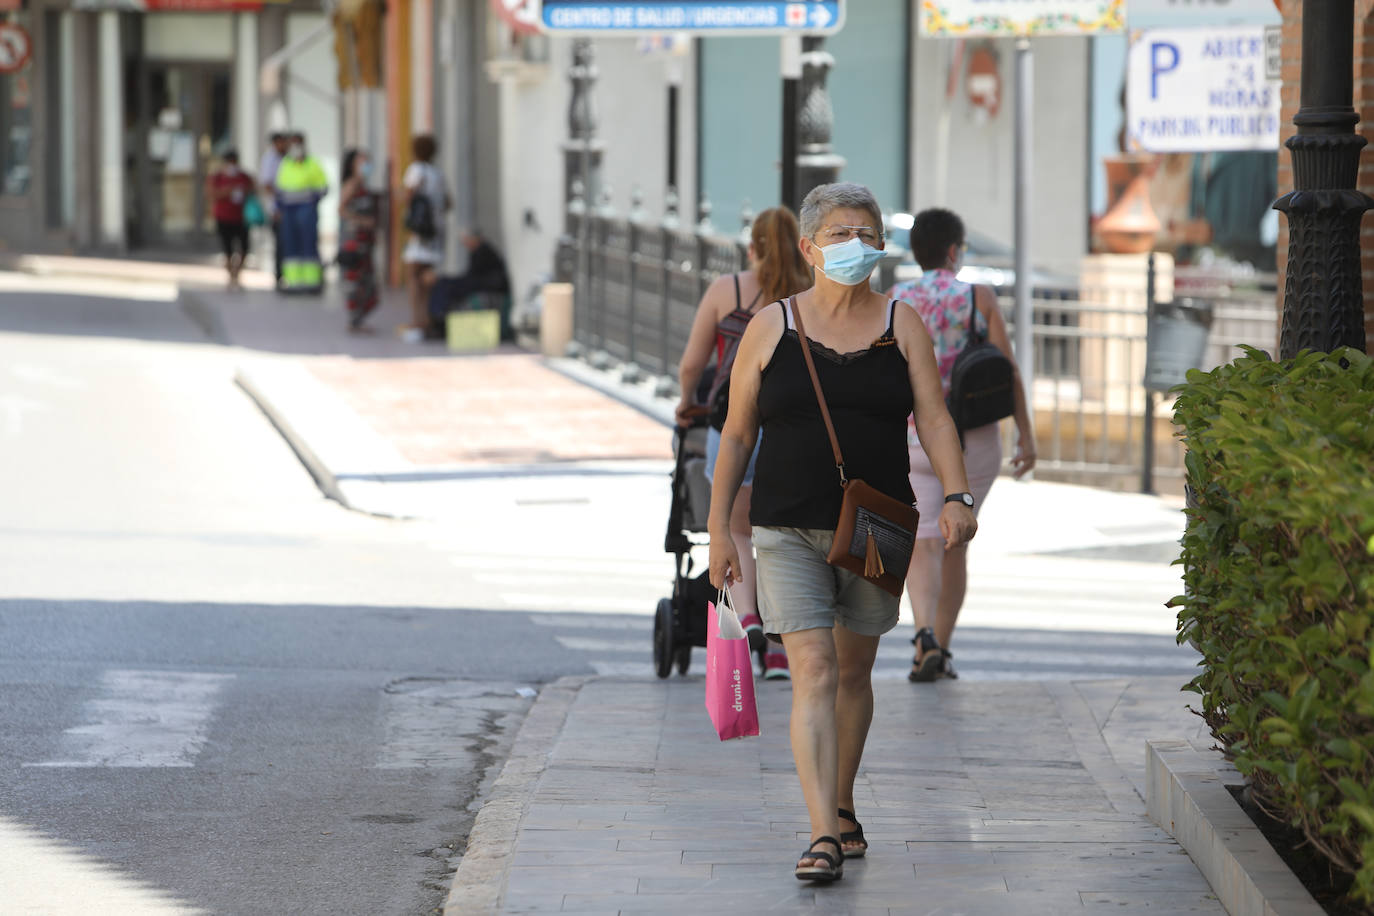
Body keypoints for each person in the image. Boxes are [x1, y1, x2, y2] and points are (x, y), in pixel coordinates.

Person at [708, 183, 977, 881]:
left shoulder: (902, 323)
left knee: (854, 672)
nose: (853, 246)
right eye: (838, 235)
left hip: (876, 525)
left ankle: (844, 802)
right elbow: (736, 436)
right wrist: (717, 532)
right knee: (815, 670)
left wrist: (956, 494)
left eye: (865, 234)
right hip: (785, 525)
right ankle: (822, 832)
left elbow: (937, 419)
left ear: (882, 245)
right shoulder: (772, 326)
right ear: (808, 247)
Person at [887, 208, 1037, 682]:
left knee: (922, 542)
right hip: (972, 440)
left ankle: (923, 635)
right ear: (954, 250)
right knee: (957, 543)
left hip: (912, 436)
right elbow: (1006, 369)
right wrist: (1026, 435)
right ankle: (941, 648)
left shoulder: (896, 298)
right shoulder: (978, 298)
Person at [676, 206, 813, 681]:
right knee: (779, 538)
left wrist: (685, 400)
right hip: (788, 427)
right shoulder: (809, 296)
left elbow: (693, 363)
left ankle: (748, 615)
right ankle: (778, 651)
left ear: (751, 247)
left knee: (735, 530)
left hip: (729, 423)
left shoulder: (727, 290)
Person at [400, 134, 450, 341]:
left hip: (421, 231)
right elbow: (448, 203)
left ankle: (417, 320)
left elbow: (408, 196)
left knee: (413, 275)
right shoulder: (438, 174)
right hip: (436, 230)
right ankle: (429, 317)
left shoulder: (416, 170)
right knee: (428, 274)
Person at [424, 230, 512, 341]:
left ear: (475, 239)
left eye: (467, 241)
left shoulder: (483, 251)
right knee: (444, 284)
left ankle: (439, 316)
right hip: (482, 283)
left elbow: (475, 276)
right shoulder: (479, 251)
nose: (466, 244)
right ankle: (438, 316)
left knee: (445, 284)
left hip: (487, 285)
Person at [274, 132, 329, 294]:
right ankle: (293, 281)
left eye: (298, 144)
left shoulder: (313, 164)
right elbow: (279, 189)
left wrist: (310, 199)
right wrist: (279, 208)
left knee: (308, 243)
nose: (296, 148)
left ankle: (311, 282)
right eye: (293, 144)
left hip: (307, 210)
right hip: (289, 211)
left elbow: (323, 187)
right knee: (290, 244)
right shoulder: (286, 164)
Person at [338, 148, 380, 331]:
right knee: (356, 283)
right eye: (362, 162)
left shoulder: (364, 186)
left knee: (369, 284)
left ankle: (359, 320)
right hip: (355, 242)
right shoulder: (352, 185)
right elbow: (341, 209)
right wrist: (361, 221)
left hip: (367, 242)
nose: (366, 166)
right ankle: (354, 322)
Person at [205, 150, 255, 290]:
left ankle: (237, 272)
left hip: (241, 218)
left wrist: (244, 190)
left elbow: (253, 189)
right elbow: (210, 193)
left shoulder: (244, 177)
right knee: (227, 248)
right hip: (224, 217)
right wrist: (227, 191)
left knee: (244, 247)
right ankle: (230, 273)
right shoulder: (217, 177)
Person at [258, 132, 290, 289]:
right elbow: (267, 185)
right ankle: (279, 276)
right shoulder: (269, 159)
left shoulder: (289, 158)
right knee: (280, 244)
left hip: (291, 206)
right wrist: (277, 206)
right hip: (278, 208)